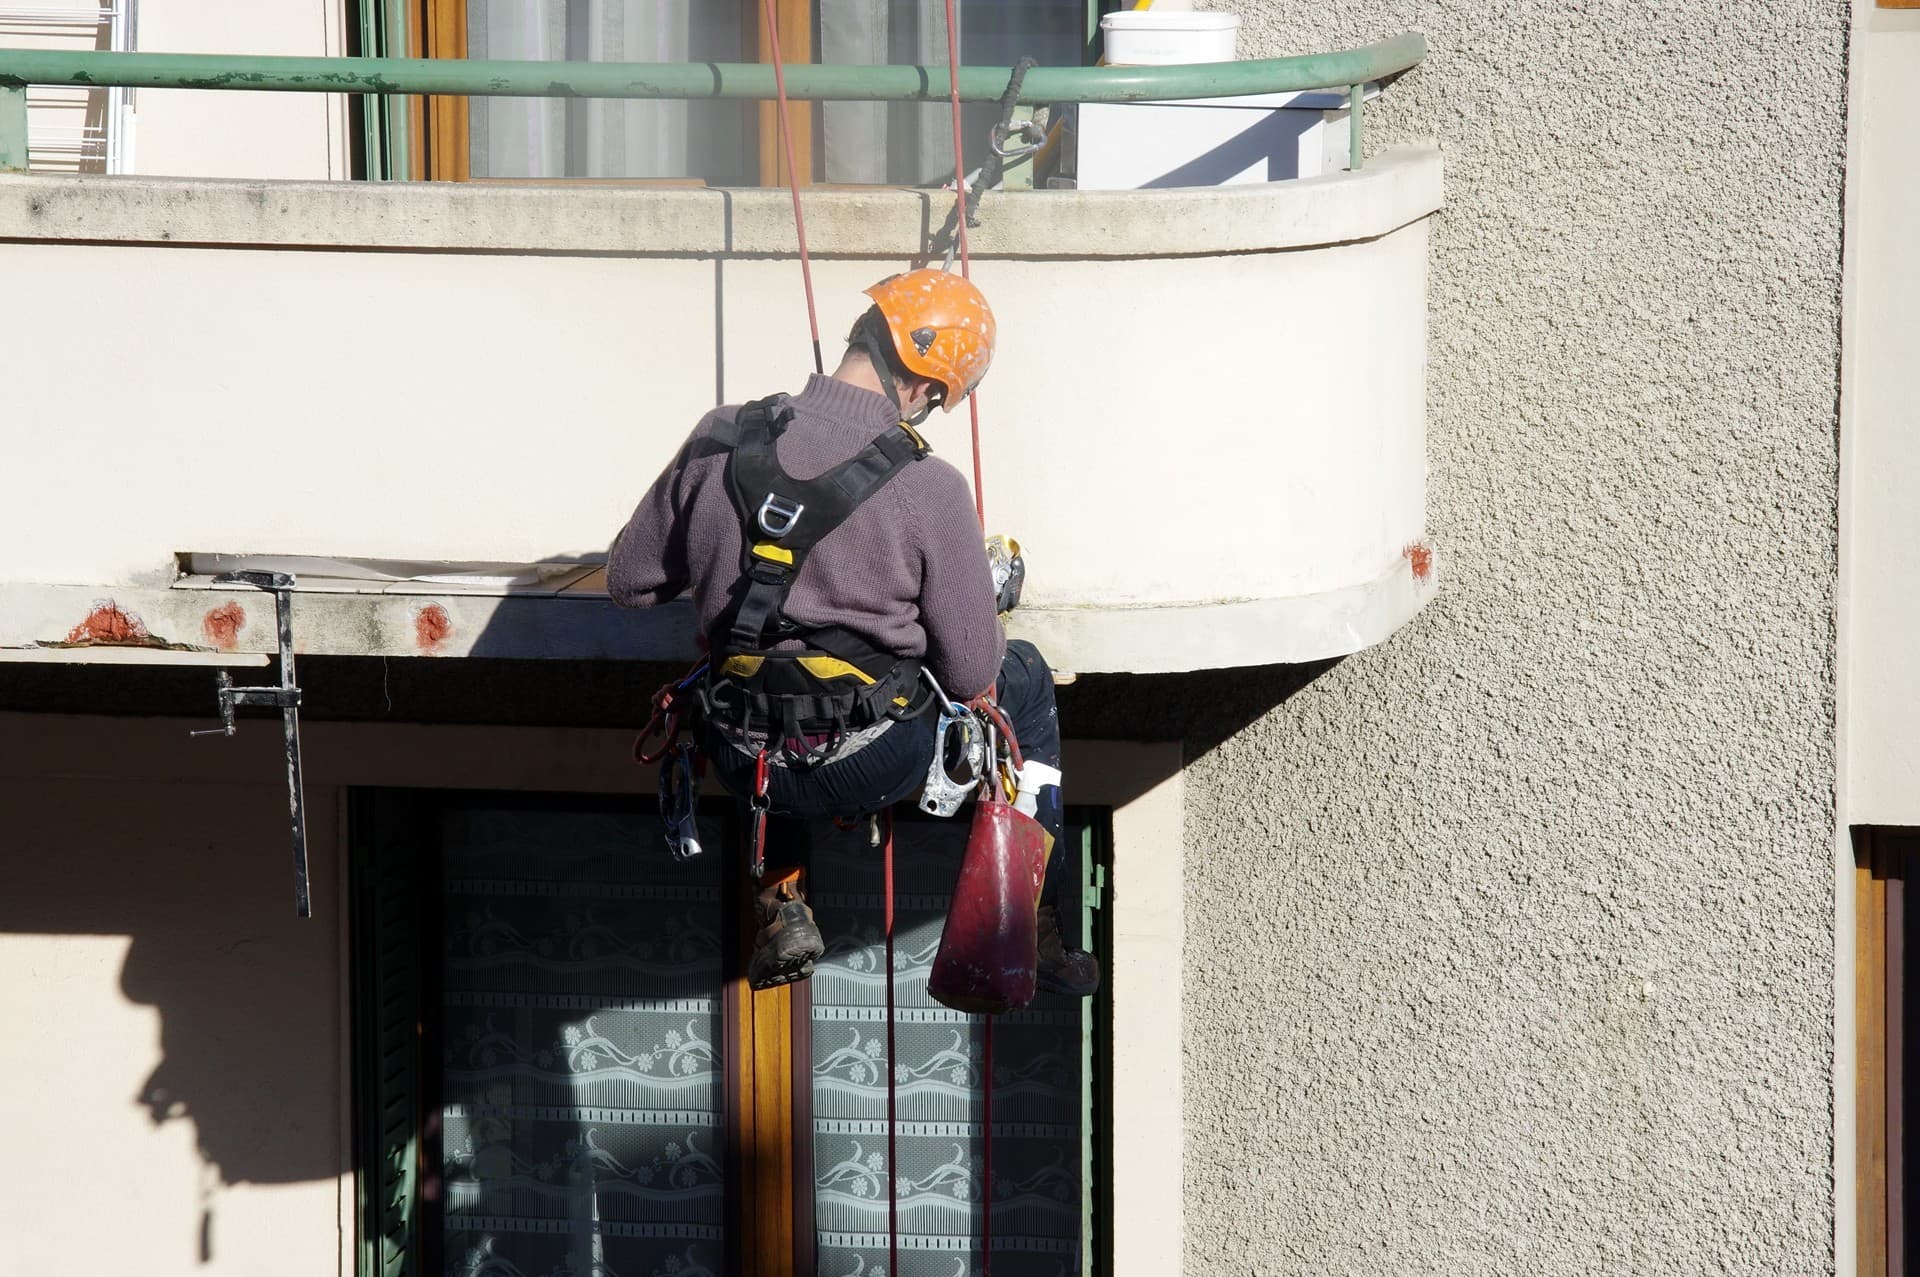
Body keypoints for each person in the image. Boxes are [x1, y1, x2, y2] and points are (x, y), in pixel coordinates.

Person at [608, 269, 1097, 998]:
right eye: (936, 398)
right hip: (879, 758)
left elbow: (631, 580)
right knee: (1021, 676)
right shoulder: (930, 488)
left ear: (863, 335)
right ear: (927, 387)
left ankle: (782, 900)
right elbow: (969, 671)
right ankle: (1032, 923)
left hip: (744, 760)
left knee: (760, 687)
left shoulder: (719, 435)